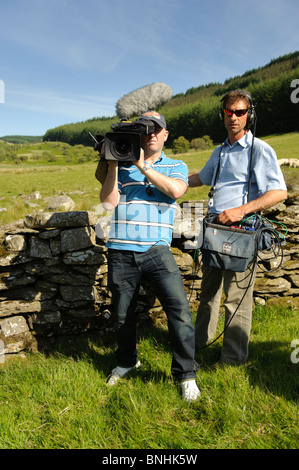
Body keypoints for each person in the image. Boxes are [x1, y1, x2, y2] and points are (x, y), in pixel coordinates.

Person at [100, 110, 200, 401]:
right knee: (121, 315)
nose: (152, 133)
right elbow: (107, 204)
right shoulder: (122, 163)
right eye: (145, 129)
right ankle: (127, 361)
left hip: (157, 249)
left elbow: (176, 190)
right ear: (138, 135)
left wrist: (143, 166)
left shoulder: (175, 165)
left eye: (157, 129)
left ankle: (186, 374)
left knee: (179, 310)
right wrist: (114, 165)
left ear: (165, 135)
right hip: (120, 248)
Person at [188, 90, 287, 365]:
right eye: (229, 112)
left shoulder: (260, 150)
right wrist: (169, 181)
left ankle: (232, 358)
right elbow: (202, 178)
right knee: (208, 292)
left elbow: (279, 192)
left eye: (240, 112)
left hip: (241, 230)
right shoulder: (220, 151)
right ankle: (199, 343)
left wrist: (240, 211)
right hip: (215, 230)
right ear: (223, 115)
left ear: (249, 115)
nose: (234, 117)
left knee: (236, 298)